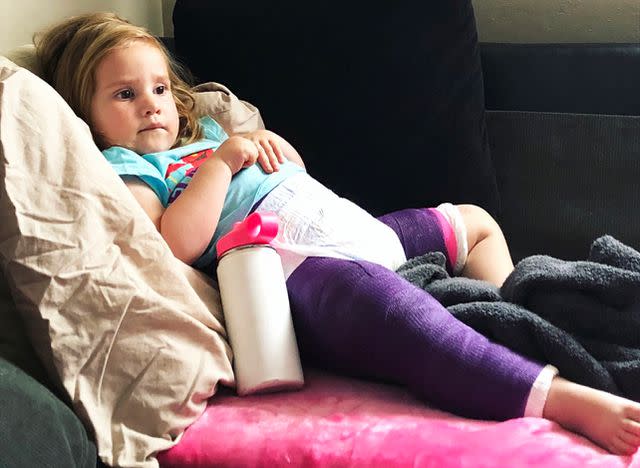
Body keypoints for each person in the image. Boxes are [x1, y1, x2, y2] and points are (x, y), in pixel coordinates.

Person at [35, 12, 640, 455]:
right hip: (297, 267)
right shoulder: (133, 168)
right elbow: (172, 244)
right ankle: (556, 396)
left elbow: (297, 177)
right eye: (125, 94)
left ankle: (517, 314)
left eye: (160, 89)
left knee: (474, 220)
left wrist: (268, 152)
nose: (152, 106)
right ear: (85, 115)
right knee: (408, 324)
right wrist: (221, 167)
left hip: (355, 231)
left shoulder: (209, 137)